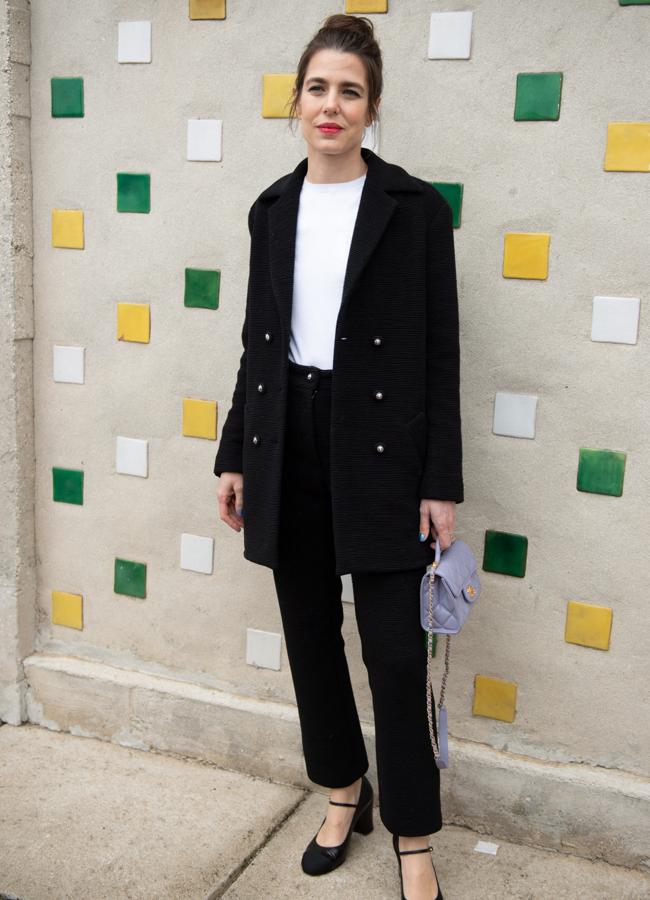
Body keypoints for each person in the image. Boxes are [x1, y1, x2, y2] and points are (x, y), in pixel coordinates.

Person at [215, 14, 464, 900]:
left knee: (393, 650)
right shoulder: (273, 208)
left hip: (383, 447)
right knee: (311, 636)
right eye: (318, 87)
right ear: (296, 100)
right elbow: (258, 342)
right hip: (286, 438)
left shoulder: (415, 210)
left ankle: (414, 832)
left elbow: (441, 352)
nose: (332, 104)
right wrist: (234, 453)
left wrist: (441, 482)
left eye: (349, 91)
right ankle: (342, 788)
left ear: (373, 107)